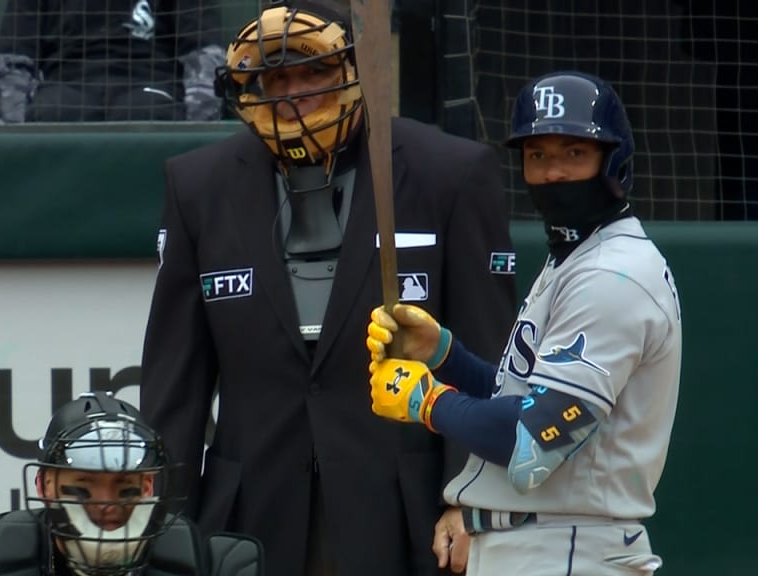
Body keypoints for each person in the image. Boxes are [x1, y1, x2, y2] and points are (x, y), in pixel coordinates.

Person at [139, 0, 517, 574]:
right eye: (277, 78)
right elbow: (176, 383)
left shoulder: (451, 172)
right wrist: (161, 526)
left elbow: (489, 355)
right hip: (247, 519)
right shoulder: (198, 185)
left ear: (352, 69)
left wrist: (471, 504)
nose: (295, 93)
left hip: (406, 517)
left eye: (314, 72)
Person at [366, 71, 683, 574]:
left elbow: (533, 442)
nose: (553, 172)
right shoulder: (576, 259)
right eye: (538, 156)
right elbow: (522, 397)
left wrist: (427, 401)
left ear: (614, 160)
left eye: (573, 153)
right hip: (545, 546)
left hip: (568, 549)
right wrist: (444, 356)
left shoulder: (611, 276)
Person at [0, 391, 264, 576]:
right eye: (82, 488)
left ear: (149, 488)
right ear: (44, 486)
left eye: (125, 487)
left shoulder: (209, 565)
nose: (107, 506)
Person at [0, 0, 225, 123]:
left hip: (148, 83)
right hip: (66, 84)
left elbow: (204, 51)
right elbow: (14, 57)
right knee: (55, 111)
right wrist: (14, 132)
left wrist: (198, 126)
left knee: (144, 114)